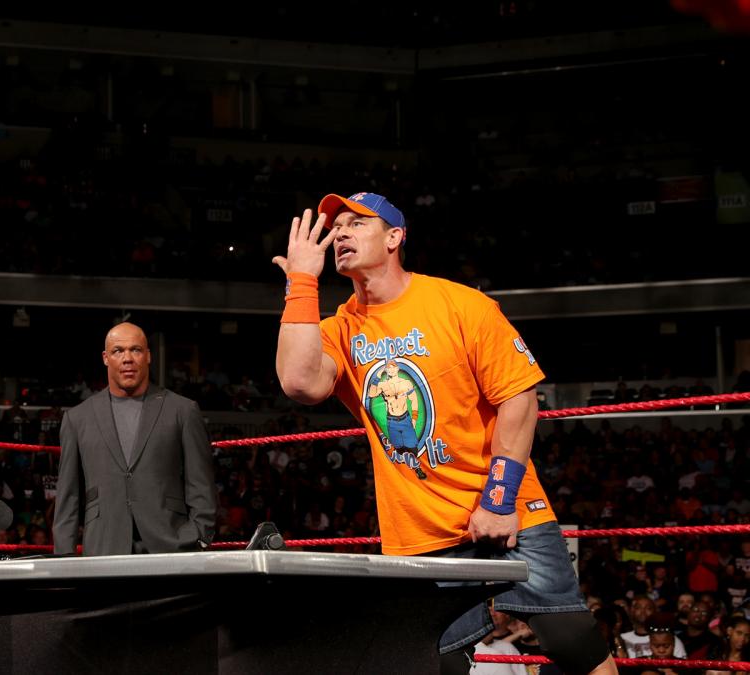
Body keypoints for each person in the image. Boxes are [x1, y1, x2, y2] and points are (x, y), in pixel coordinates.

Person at [272, 194, 616, 675]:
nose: (342, 232)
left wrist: (498, 500)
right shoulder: (342, 329)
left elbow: (519, 400)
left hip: (506, 506)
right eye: (337, 226)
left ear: (394, 237)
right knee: (437, 664)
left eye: (357, 223)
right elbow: (299, 382)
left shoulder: (460, 305)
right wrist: (302, 282)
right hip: (419, 529)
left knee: (572, 641)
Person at [52, 322, 216, 555]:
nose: (127, 358)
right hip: (104, 545)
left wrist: (199, 536)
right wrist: (64, 556)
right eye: (118, 351)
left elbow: (201, 483)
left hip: (170, 545)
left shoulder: (183, 410)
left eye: (135, 350)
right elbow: (68, 497)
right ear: (106, 358)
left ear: (148, 356)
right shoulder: (77, 418)